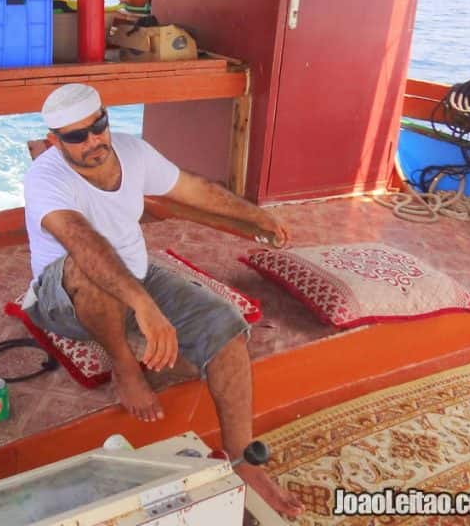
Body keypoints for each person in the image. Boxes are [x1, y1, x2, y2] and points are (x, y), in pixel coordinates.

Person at [22, 84, 303, 519]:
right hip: (65, 293)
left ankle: (242, 458)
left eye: (99, 126)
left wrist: (257, 215)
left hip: (136, 273)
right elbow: (84, 245)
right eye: (77, 136)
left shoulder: (132, 153)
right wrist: (145, 307)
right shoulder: (45, 178)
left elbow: (193, 189)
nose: (93, 141)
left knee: (225, 326)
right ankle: (124, 367)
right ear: (57, 142)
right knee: (89, 267)